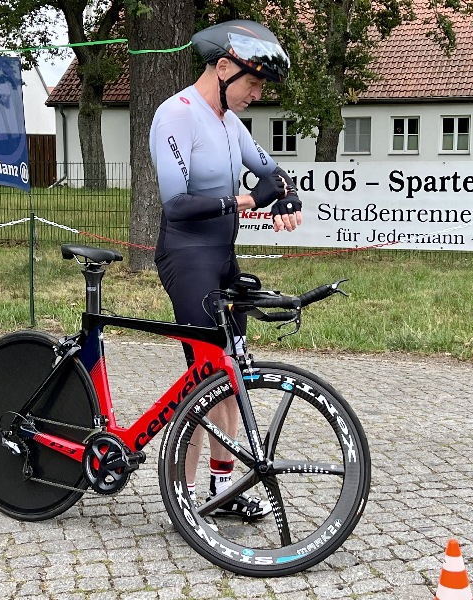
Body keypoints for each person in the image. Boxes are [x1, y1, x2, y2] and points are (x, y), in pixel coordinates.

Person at [150, 20, 301, 519]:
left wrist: (287, 195)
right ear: (222, 68)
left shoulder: (230, 123)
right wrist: (248, 200)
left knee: (231, 375)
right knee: (204, 380)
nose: (257, 95)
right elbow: (176, 204)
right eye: (253, 83)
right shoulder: (177, 114)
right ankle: (186, 494)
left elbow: (272, 171)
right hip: (186, 255)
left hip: (222, 258)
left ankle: (222, 490)